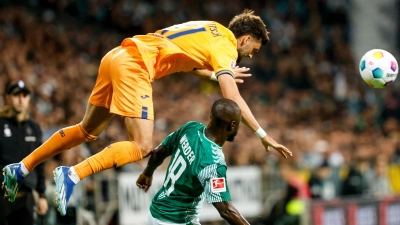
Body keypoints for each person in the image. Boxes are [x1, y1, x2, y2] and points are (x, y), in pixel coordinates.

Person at [3, 10, 292, 216]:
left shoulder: (211, 28)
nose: (250, 56)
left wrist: (218, 74)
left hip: (116, 56)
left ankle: (21, 168)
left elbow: (184, 59)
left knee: (86, 130)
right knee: (141, 146)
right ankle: (73, 174)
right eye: (252, 50)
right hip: (136, 66)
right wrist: (262, 135)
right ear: (244, 40)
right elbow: (233, 100)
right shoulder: (227, 47)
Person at [135, 98, 249, 225]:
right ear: (232, 125)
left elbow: (159, 152)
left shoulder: (190, 128)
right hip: (176, 221)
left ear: (211, 116)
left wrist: (147, 173)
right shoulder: (213, 163)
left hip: (155, 213)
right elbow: (226, 210)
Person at [0, 80, 48, 225]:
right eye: (16, 95)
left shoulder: (34, 128)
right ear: (7, 98)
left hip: (26, 197)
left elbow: (40, 162)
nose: (21, 99)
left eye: (25, 95)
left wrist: (42, 195)